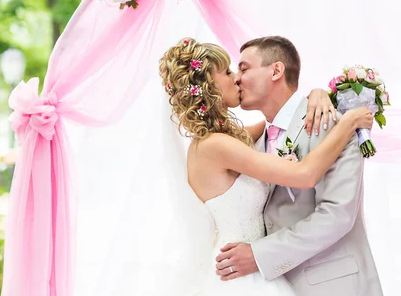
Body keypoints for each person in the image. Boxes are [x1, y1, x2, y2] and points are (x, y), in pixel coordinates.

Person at [158, 37, 374, 295]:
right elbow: (304, 174)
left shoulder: (240, 138)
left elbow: (284, 122)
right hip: (240, 273)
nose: (236, 78)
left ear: (276, 70)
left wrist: (318, 94)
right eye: (228, 72)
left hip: (291, 277)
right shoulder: (215, 146)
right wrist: (349, 122)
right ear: (208, 87)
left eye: (242, 69)